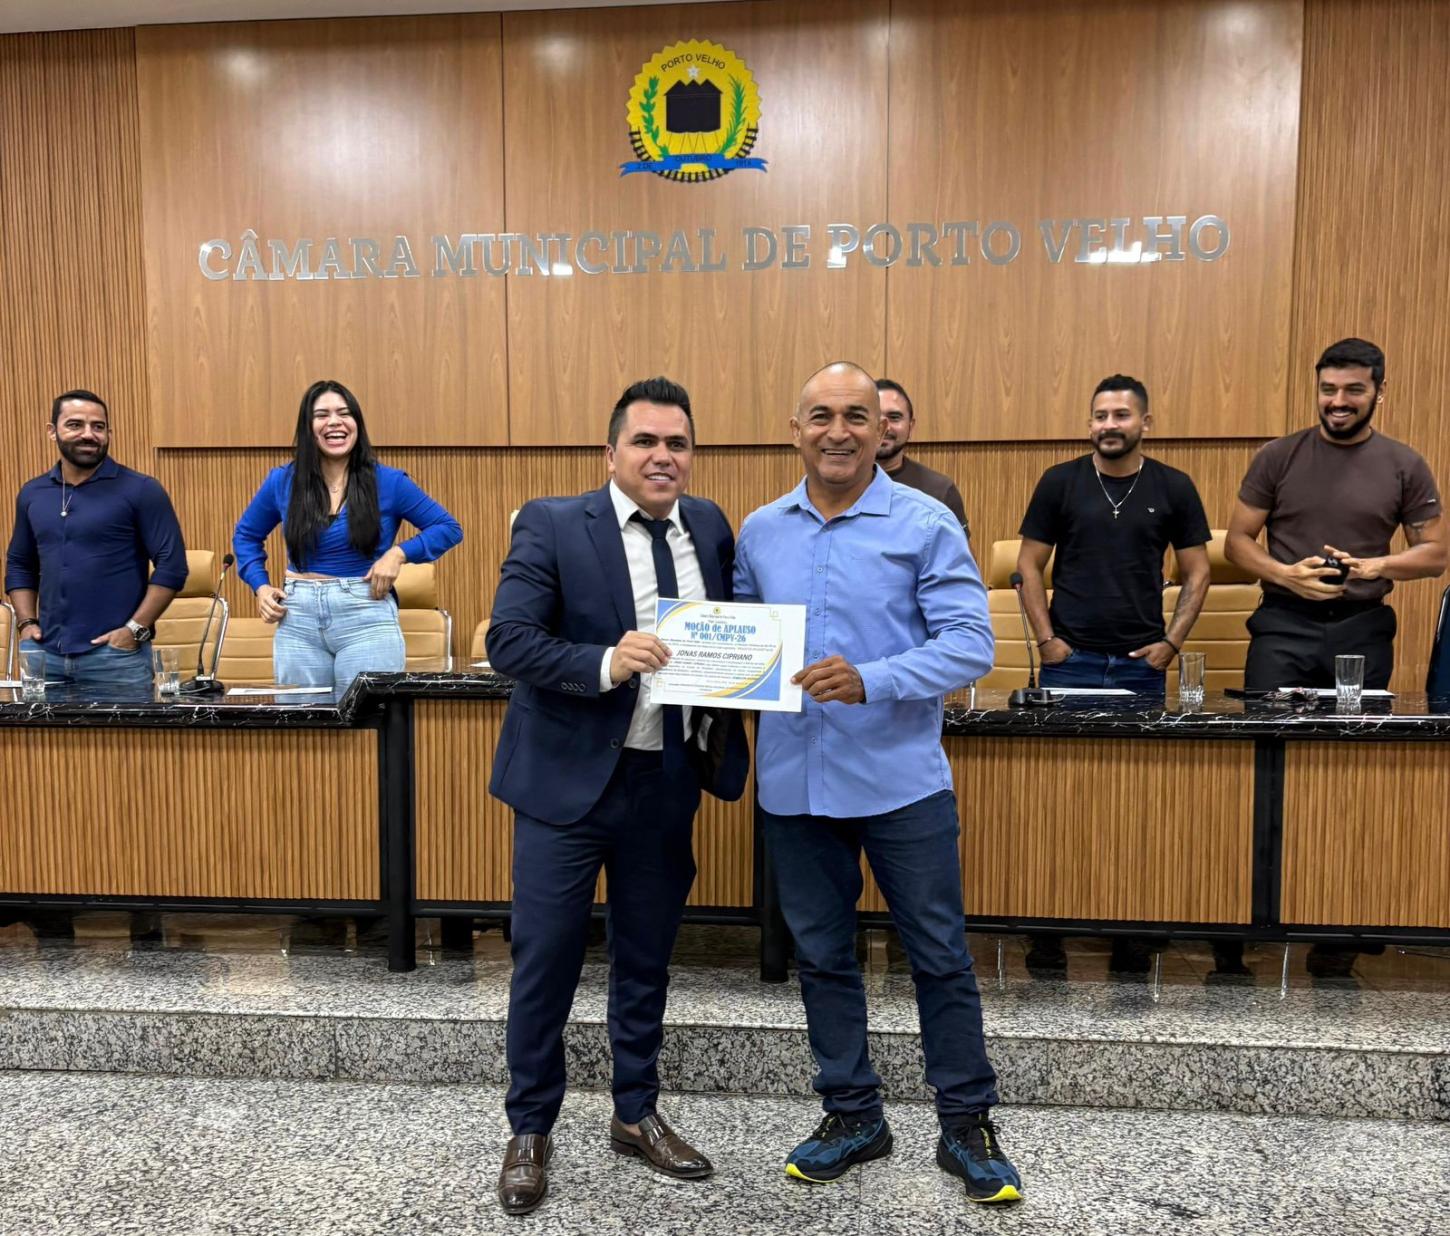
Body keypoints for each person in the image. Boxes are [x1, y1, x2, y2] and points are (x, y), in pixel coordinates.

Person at [735, 362, 1021, 1205]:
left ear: (882, 428)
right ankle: (853, 1115)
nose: (839, 431)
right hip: (795, 786)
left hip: (902, 786)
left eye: (857, 415)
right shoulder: (760, 531)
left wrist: (873, 678)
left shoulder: (926, 522)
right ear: (795, 430)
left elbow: (972, 645)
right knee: (823, 959)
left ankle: (966, 1124)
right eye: (821, 415)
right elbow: (746, 643)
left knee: (939, 957)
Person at [485, 377, 748, 1216]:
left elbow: (733, 636)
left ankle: (635, 1113)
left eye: (677, 443)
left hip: (665, 781)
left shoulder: (709, 526)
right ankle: (530, 1128)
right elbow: (509, 640)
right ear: (611, 452)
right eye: (645, 441)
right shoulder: (553, 523)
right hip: (566, 785)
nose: (662, 456)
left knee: (646, 957)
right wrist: (605, 661)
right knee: (546, 961)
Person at [1225, 337, 1445, 980]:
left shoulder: (1404, 464)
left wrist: (1378, 565)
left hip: (1361, 631)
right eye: (1328, 389)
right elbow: (1237, 542)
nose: (1338, 401)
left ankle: (1340, 931)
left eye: (1353, 390)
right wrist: (1285, 575)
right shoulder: (1278, 456)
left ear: (1379, 391)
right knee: (1260, 766)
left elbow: (1436, 554)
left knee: (1350, 774)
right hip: (1282, 627)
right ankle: (1237, 929)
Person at [1015, 374, 1213, 976]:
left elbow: (1198, 571)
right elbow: (1028, 564)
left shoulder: (1174, 486)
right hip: (1069, 663)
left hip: (1139, 669)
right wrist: (1047, 642)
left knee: (1135, 804)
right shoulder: (1060, 481)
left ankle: (1130, 930)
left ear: (1145, 423)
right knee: (1055, 804)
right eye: (1100, 415)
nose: (1109, 425)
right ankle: (1047, 929)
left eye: (1121, 415)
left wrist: (1171, 644)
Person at [232, 380, 461, 699]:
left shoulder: (389, 481)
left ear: (357, 423)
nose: (334, 422)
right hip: (297, 619)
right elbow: (246, 535)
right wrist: (260, 586)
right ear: (308, 427)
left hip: (366, 614)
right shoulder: (283, 481)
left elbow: (447, 528)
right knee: (302, 724)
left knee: (368, 723)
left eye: (344, 413)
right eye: (322, 415)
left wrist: (398, 554)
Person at [6, 389, 188, 695]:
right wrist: (26, 624)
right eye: (75, 425)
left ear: (109, 434)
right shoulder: (32, 493)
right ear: (52, 431)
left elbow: (173, 566)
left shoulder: (141, 490)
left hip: (116, 659)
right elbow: (19, 564)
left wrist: (134, 630)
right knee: (35, 732)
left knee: (125, 732)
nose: (88, 434)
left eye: (98, 426)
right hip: (43, 657)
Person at [875, 377, 972, 542]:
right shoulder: (841, 487)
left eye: (894, 417)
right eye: (875, 417)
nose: (885, 427)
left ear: (911, 426)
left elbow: (960, 555)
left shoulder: (939, 490)